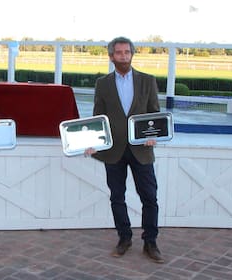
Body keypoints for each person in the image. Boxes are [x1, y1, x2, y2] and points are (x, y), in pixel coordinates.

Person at [85, 36, 164, 263]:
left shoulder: (147, 81)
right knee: (117, 197)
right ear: (111, 56)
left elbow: (154, 114)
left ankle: (151, 242)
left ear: (132, 54)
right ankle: (124, 238)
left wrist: (153, 136)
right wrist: (92, 141)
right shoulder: (103, 83)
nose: (123, 56)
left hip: (142, 149)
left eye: (127, 52)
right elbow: (98, 116)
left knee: (149, 197)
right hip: (113, 150)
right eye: (118, 53)